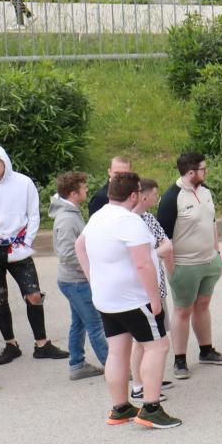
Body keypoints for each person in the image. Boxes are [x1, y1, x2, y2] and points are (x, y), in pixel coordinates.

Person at [79, 172, 180, 429]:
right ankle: (151, 407)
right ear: (134, 195)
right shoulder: (131, 222)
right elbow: (144, 264)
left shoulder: (98, 216)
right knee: (157, 346)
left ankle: (120, 407)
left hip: (107, 298)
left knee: (117, 350)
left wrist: (94, 280)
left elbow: (79, 245)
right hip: (134, 298)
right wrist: (154, 299)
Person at [0, 145, 60, 365]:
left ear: (4, 161)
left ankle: (42, 344)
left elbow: (33, 214)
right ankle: (10, 344)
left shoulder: (23, 182)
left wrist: (26, 242)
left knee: (34, 294)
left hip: (19, 247)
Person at [157, 153, 222, 379]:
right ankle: (180, 360)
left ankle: (206, 350)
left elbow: (213, 223)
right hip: (184, 266)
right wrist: (172, 268)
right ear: (190, 173)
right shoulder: (171, 197)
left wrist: (216, 253)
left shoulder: (205, 191)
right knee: (182, 310)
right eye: (203, 169)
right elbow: (162, 238)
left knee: (203, 305)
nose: (205, 172)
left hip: (209, 261)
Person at [48, 172, 105, 382]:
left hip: (73, 280)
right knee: (96, 324)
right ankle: (113, 366)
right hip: (76, 281)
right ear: (73, 193)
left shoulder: (71, 213)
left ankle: (77, 364)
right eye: (84, 187)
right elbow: (66, 253)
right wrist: (90, 266)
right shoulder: (66, 219)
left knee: (79, 323)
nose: (87, 190)